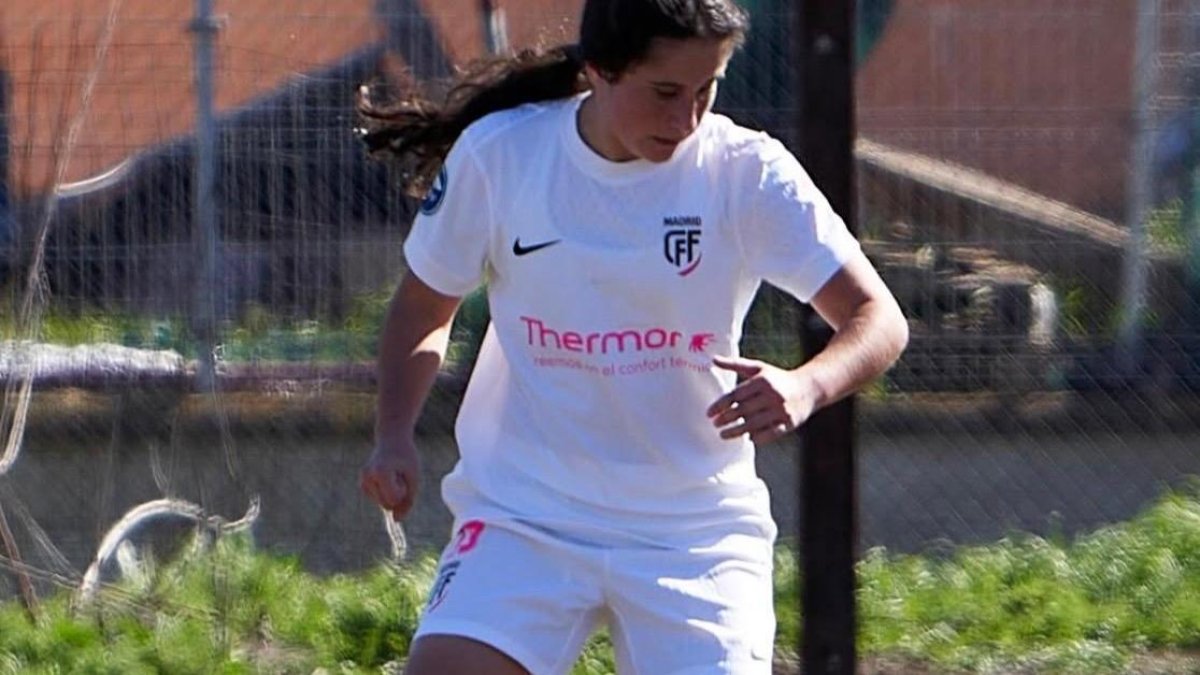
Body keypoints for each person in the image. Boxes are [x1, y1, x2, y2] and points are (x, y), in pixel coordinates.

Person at [357, 0, 908, 673]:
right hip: (524, 517)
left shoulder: (747, 172)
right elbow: (422, 309)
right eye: (666, 92)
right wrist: (393, 433)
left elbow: (877, 317)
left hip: (692, 535)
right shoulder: (503, 155)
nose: (687, 118)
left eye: (707, 90)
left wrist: (805, 383)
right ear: (598, 71)